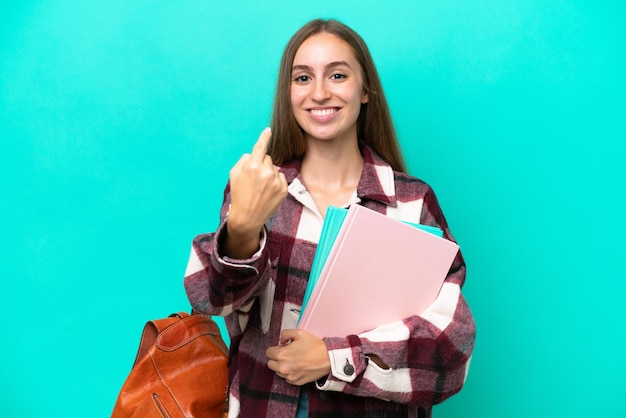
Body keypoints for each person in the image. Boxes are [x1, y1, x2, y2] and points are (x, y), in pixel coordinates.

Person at [184, 18, 475, 417]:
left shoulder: (411, 201)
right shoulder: (259, 188)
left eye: (337, 74)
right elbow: (208, 298)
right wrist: (243, 228)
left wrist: (333, 358)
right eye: (302, 78)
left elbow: (450, 350)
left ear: (365, 90)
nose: (319, 93)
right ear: (288, 93)